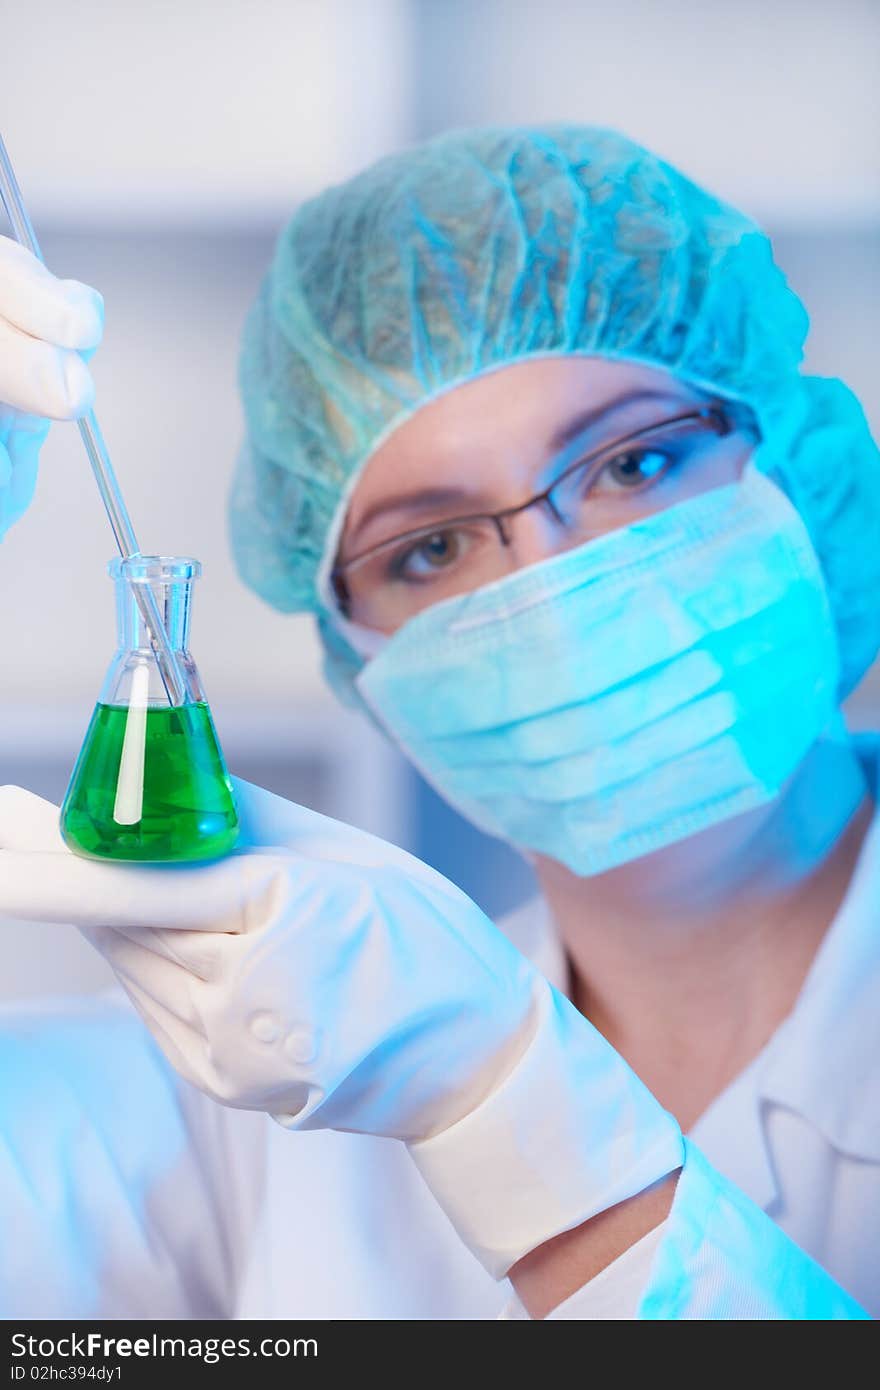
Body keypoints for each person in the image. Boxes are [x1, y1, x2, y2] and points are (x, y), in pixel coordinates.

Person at [0, 125, 877, 1320]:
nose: (550, 592)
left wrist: (514, 1115)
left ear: (795, 461)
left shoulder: (431, 1047)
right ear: (356, 651)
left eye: (631, 462)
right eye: (433, 545)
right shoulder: (277, 1074)